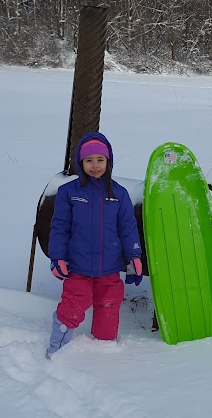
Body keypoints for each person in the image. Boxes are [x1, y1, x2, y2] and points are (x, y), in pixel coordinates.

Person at [46, 131, 143, 358]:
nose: (95, 165)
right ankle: (56, 349)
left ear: (108, 161)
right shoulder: (68, 192)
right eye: (89, 160)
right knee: (73, 303)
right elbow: (60, 227)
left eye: (100, 160)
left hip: (109, 267)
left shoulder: (119, 194)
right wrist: (57, 257)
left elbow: (128, 229)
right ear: (81, 163)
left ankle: (103, 351)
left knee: (109, 304)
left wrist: (134, 257)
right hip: (77, 266)